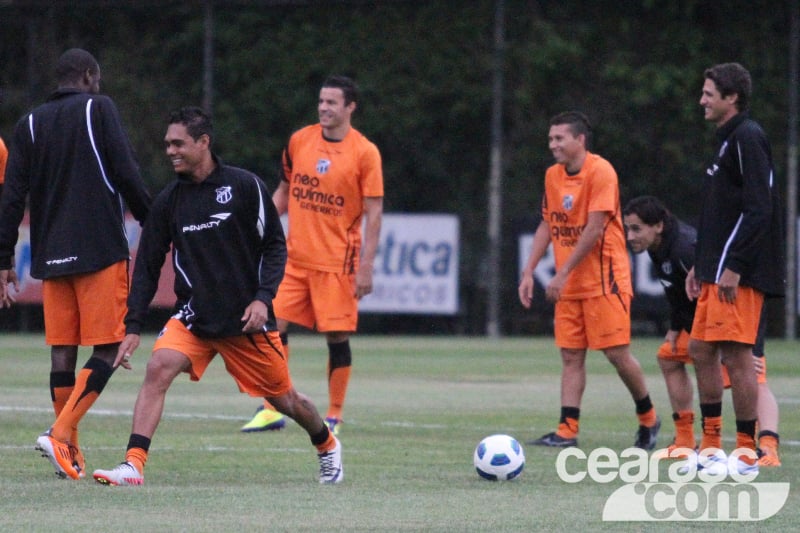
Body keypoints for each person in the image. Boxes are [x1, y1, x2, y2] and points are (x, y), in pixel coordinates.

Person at [92, 107, 342, 486]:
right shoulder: (169, 201)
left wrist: (262, 298)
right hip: (193, 317)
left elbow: (275, 247)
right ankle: (133, 464)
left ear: (204, 142)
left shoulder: (244, 186)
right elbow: (145, 266)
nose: (170, 151)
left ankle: (326, 444)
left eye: (178, 143)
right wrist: (133, 326)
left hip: (245, 323)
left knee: (284, 400)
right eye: (167, 145)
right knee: (158, 369)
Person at [0, 48, 151, 480]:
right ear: (87, 76)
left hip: (50, 254)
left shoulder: (28, 123)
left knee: (63, 351)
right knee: (107, 346)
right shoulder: (97, 108)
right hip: (99, 248)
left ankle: (70, 452)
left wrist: (4, 257)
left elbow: (12, 198)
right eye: (97, 80)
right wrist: (153, 222)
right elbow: (125, 172)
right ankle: (61, 432)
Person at [241, 75, 383, 435]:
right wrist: (259, 228)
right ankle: (273, 407)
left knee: (336, 337)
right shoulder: (299, 141)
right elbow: (285, 191)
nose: (324, 107)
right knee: (273, 328)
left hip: (337, 263)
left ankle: (333, 414)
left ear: (350, 107)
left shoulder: (365, 153)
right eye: (321, 101)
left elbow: (374, 212)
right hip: (294, 260)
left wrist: (366, 266)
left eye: (332, 102)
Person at [518, 111, 660, 450]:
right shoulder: (552, 176)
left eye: (559, 138)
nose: (552, 145)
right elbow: (547, 225)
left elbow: (595, 229)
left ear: (579, 140)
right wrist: (528, 271)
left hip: (604, 280)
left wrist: (561, 272)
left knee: (616, 354)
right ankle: (567, 430)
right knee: (570, 356)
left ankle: (649, 418)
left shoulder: (601, 171)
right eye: (550, 139)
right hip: (570, 285)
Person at [624, 195, 781, 466]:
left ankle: (767, 447)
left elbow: (731, 292)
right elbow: (676, 291)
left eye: (636, 228)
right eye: (627, 229)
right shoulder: (657, 246)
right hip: (701, 324)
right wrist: (675, 328)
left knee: (752, 374)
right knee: (668, 357)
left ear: (658, 226)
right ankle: (685, 440)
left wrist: (748, 342)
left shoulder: (686, 248)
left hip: (735, 318)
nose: (630, 236)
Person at [685, 62, 784, 475]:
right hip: (715, 269)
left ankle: (745, 450)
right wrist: (700, 264)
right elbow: (721, 212)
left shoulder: (748, 136)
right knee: (700, 349)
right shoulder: (726, 141)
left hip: (736, 274)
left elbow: (758, 209)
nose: (702, 100)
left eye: (709, 93)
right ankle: (710, 444)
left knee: (739, 358)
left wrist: (734, 265)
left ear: (732, 98)